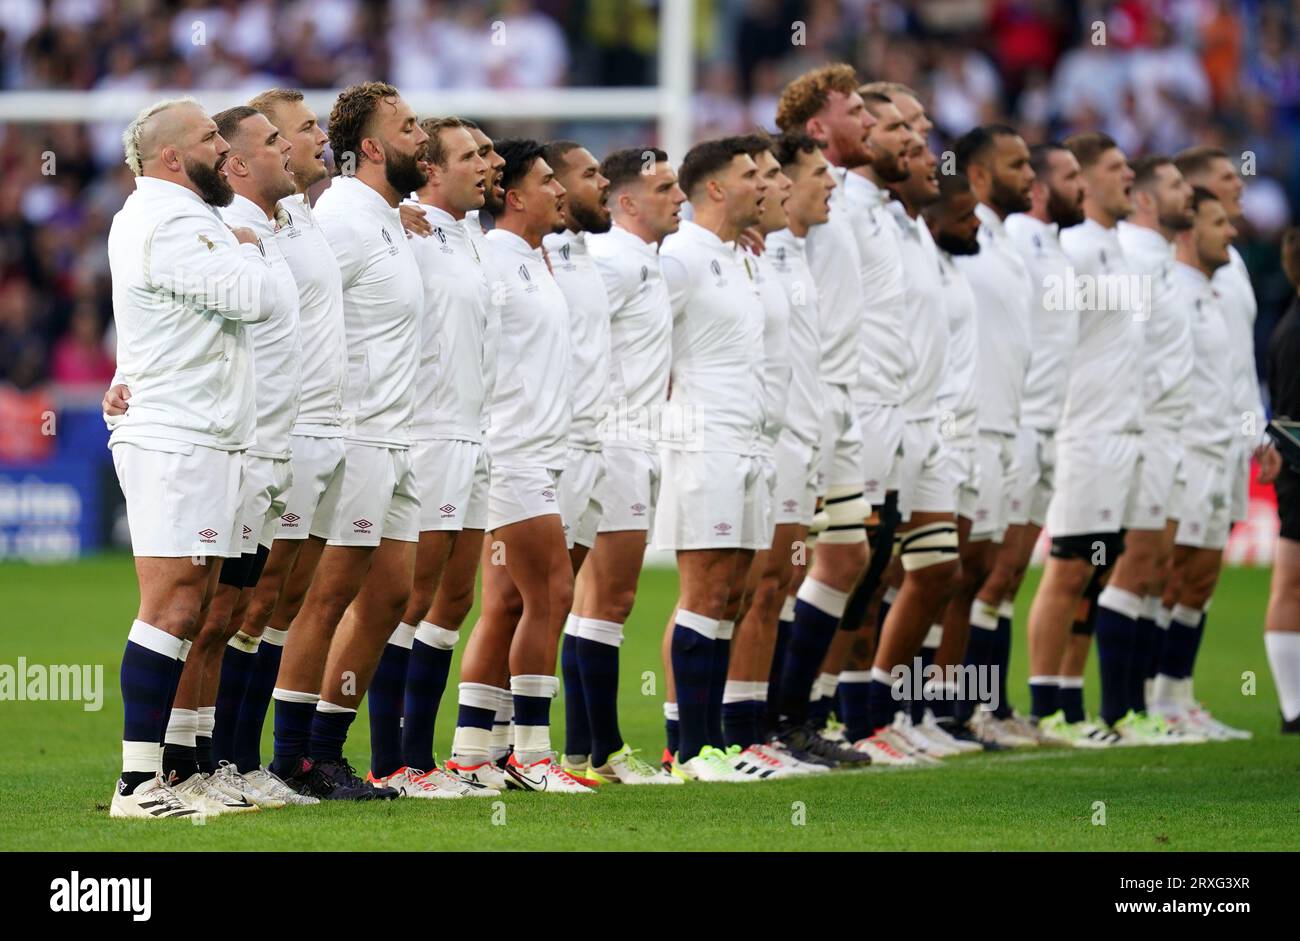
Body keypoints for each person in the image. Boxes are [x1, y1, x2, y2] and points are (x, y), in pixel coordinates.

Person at [105, 97, 285, 818]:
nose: (224, 147)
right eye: (211, 136)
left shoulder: (194, 218)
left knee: (197, 600)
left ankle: (176, 769)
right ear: (172, 156)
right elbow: (252, 298)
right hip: (176, 434)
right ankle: (135, 782)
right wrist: (246, 250)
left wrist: (241, 243)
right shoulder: (164, 219)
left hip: (205, 432)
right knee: (172, 599)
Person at [269, 82, 428, 800]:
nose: (421, 135)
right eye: (409, 125)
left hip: (397, 433)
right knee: (323, 597)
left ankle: (328, 748)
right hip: (354, 431)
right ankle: (293, 757)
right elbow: (296, 311)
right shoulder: (341, 218)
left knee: (391, 593)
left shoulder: (389, 217)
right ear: (372, 145)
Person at [364, 116, 498, 798]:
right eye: (472, 155)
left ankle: (421, 757)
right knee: (411, 599)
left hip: (474, 433)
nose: (487, 163)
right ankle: (391, 761)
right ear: (433, 170)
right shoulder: (406, 229)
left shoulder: (470, 236)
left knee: (455, 597)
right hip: (429, 431)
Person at [452, 139, 590, 793]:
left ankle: (476, 753)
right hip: (511, 452)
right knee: (554, 593)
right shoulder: (492, 260)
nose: (561, 190)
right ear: (513, 196)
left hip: (541, 450)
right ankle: (532, 753)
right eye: (547, 182)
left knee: (506, 602)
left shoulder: (537, 257)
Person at [767, 65, 874, 767]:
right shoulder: (785, 207)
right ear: (816, 129)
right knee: (766, 573)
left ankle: (794, 711)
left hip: (841, 401)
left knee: (848, 556)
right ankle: (757, 721)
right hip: (795, 409)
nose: (868, 121)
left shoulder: (854, 197)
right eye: (859, 109)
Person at [570, 147, 687, 781]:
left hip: (632, 441)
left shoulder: (647, 261)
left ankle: (583, 752)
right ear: (625, 202)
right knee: (608, 599)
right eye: (665, 187)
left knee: (595, 599)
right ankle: (602, 751)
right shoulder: (614, 260)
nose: (679, 196)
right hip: (614, 442)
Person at [655, 137, 769, 781]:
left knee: (734, 592)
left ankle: (716, 743)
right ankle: (688, 750)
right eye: (752, 175)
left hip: (748, 441)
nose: (764, 184)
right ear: (717, 189)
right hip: (707, 445)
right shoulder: (681, 257)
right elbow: (645, 341)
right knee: (703, 593)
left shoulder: (735, 256)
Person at [1026, 132, 1141, 743]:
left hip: (1117, 431)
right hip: (1081, 430)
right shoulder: (1069, 247)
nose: (1130, 178)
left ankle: (1070, 702)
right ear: (1086, 182)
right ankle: (1046, 703)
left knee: (1096, 571)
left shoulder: (1113, 247)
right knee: (1069, 569)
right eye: (1117, 168)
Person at [1151, 187, 1252, 740]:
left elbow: (1234, 376)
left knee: (1202, 579)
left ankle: (1177, 694)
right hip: (1187, 451)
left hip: (1224, 450)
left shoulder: (1218, 293)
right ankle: (1150, 699)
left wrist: (1251, 433)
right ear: (1189, 230)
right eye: (1219, 222)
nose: (1231, 232)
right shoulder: (1174, 291)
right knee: (1171, 574)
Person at [951, 124, 1037, 747]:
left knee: (988, 576)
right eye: (1018, 164)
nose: (1030, 174)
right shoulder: (959, 235)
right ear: (979, 175)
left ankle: (979, 708)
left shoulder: (1005, 240)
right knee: (953, 575)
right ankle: (935, 708)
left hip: (1006, 425)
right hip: (967, 425)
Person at [1263, 226, 1300, 735]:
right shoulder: (1294, 334)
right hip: (1298, 477)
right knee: (1291, 582)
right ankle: (1294, 707)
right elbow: (1290, 425)